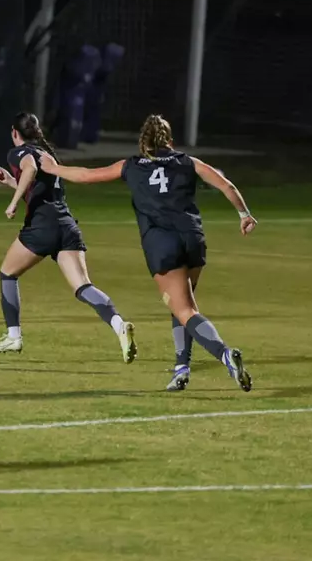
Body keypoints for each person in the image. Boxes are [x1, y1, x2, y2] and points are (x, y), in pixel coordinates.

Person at [38, 114, 256, 393]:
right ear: (170, 141)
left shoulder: (131, 165)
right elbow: (227, 185)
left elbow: (87, 176)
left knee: (184, 309)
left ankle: (225, 354)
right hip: (193, 238)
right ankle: (182, 368)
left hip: (162, 243)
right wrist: (244, 214)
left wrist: (55, 168)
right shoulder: (188, 161)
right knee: (183, 305)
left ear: (143, 143)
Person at [0, 112, 135, 361]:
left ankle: (13, 337)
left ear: (15, 132)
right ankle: (118, 324)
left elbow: (30, 169)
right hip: (66, 225)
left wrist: (13, 203)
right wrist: (12, 184)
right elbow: (40, 189)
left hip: (42, 227)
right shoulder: (48, 155)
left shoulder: (19, 152)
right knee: (83, 286)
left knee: (7, 273)